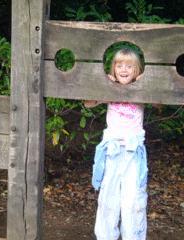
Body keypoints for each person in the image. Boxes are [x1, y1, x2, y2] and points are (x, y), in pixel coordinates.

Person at [84, 48, 148, 240]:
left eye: (129, 66)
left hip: (133, 153)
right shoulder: (110, 91)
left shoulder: (143, 91)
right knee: (108, 200)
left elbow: (161, 101)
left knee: (133, 201)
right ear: (113, 68)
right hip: (111, 152)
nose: (124, 69)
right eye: (119, 65)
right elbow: (88, 103)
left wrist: (146, 83)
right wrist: (103, 85)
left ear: (137, 70)